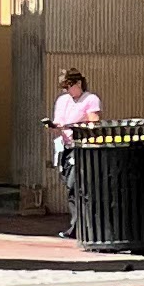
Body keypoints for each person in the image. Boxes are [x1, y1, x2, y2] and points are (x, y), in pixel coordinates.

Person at [48, 66, 102, 236]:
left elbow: (94, 123)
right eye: (65, 87)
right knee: (69, 185)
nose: (68, 91)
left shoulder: (90, 99)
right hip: (65, 146)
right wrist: (54, 126)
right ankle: (77, 224)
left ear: (78, 83)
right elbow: (58, 122)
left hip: (81, 147)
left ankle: (80, 226)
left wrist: (75, 126)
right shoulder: (63, 100)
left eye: (69, 86)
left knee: (76, 185)